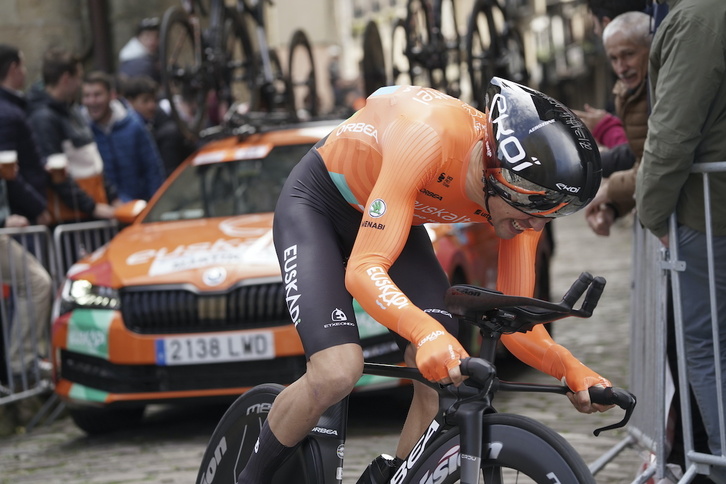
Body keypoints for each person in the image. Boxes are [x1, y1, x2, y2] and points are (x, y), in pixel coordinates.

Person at [237, 79, 617, 483]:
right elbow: (364, 268)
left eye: (549, 214)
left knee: (442, 369)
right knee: (337, 371)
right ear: (496, 172)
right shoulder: (429, 138)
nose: (534, 224)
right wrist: (425, 332)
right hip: (318, 204)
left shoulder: (528, 198)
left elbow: (517, 326)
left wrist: (570, 368)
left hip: (395, 215)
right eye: (528, 206)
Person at [635, 1, 726, 482]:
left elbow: (671, 132)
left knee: (706, 349)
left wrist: (652, 209)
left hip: (709, 216)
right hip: (708, 211)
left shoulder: (698, 18)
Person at [573, 11, 651, 236]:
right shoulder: (626, 92)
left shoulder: (653, 91)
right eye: (614, 59)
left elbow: (654, 164)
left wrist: (609, 191)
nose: (621, 67)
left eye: (628, 55)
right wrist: (613, 209)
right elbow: (641, 163)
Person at [26, 48, 118, 225]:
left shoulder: (72, 110)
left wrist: (111, 197)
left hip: (94, 210)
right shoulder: (44, 118)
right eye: (79, 78)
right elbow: (57, 173)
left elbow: (92, 161)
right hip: (73, 216)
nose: (80, 84)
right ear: (66, 78)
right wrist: (91, 207)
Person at [81, 71, 164, 202]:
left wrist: (154, 205)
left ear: (111, 95)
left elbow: (152, 168)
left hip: (138, 207)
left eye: (97, 95)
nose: (92, 101)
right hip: (102, 210)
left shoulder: (133, 125)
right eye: (87, 96)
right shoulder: (80, 129)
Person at [0, 44, 51, 227]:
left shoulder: (14, 106)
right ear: (14, 68)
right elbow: (9, 172)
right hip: (19, 216)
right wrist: (37, 207)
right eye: (23, 65)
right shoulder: (7, 112)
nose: (25, 71)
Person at [120, 75, 195, 177]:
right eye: (145, 101)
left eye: (154, 100)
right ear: (130, 101)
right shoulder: (126, 129)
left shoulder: (156, 119)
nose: (151, 106)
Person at [118, 17, 161, 83]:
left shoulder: (153, 56)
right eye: (147, 36)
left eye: (156, 36)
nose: (152, 41)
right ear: (138, 38)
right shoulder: (135, 61)